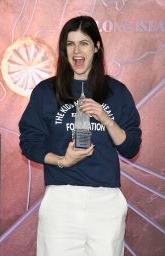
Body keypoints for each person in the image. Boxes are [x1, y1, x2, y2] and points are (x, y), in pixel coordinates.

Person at [19, 16, 142, 256]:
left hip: (106, 201)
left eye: (84, 43)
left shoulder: (117, 92)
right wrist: (63, 160)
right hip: (61, 200)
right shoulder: (46, 91)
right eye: (70, 44)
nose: (77, 51)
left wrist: (106, 119)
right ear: (64, 49)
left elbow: (131, 146)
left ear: (96, 47)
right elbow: (30, 142)